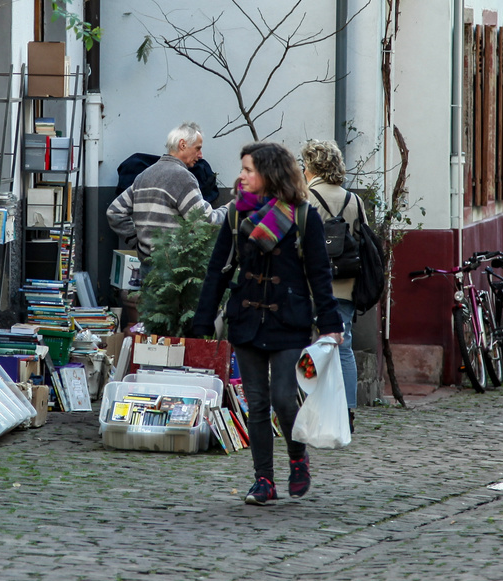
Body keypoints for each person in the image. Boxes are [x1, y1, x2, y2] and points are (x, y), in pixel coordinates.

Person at [190, 141, 342, 505]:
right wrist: (202, 320)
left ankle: (297, 456)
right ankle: (263, 480)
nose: (240, 177)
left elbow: (319, 275)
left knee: (283, 400)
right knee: (256, 403)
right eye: (241, 169)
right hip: (246, 318)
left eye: (248, 170)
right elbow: (218, 269)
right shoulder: (236, 215)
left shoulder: (304, 216)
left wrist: (331, 322)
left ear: (269, 174)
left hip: (288, 320)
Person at [300, 140, 370, 421]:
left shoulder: (305, 198)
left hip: (311, 285)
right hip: (345, 285)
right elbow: (364, 241)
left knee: (308, 345)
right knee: (344, 347)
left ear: (313, 166)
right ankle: (348, 411)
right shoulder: (355, 200)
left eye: (305, 164)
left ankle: (311, 408)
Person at [106, 122, 223, 256]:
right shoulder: (183, 178)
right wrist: (231, 208)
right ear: (183, 145)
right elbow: (204, 221)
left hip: (147, 265)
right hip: (174, 268)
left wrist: (139, 245)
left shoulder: (143, 175)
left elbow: (114, 212)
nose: (200, 155)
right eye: (198, 148)